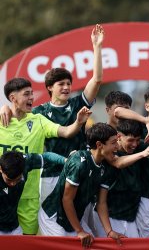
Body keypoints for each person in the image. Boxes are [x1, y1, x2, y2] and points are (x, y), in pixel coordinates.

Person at [1, 24, 105, 204]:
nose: (66, 87)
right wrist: (5, 108)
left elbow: (97, 80)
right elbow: (17, 114)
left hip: (75, 171)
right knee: (50, 223)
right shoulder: (39, 112)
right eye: (61, 84)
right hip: (49, 174)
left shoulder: (78, 103)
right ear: (49, 87)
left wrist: (97, 47)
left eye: (68, 83)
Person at [0, 77, 91, 235]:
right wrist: (3, 107)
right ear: (13, 98)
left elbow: (66, 132)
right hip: (2, 195)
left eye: (31, 94)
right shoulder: (1, 120)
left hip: (28, 197)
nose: (31, 98)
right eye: (26, 94)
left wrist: (78, 123)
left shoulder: (38, 120)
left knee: (27, 243)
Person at [38, 123, 118, 248]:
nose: (117, 147)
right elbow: (67, 199)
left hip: (73, 219)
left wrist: (109, 231)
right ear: (99, 145)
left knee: (93, 246)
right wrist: (80, 231)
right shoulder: (79, 163)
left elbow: (101, 203)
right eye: (113, 143)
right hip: (53, 218)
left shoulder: (107, 167)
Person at [115, 86, 149, 238]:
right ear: (147, 107)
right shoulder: (139, 128)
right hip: (147, 197)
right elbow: (117, 111)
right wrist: (145, 120)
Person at [95, 119, 149, 239]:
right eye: (130, 140)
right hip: (110, 218)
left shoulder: (139, 148)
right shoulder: (110, 153)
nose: (134, 144)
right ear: (119, 137)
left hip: (130, 219)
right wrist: (143, 154)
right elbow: (118, 163)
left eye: (137, 140)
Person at [0, 151, 65, 235]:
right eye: (9, 180)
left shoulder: (26, 162)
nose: (13, 184)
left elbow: (46, 156)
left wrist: (66, 160)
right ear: (1, 169)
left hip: (14, 227)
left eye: (18, 179)